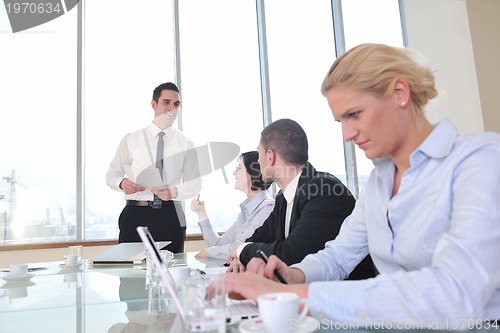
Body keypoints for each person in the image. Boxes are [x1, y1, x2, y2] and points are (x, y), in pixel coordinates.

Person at [222, 44, 500, 328]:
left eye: (354, 114)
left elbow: (456, 291)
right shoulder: (379, 183)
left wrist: (294, 295)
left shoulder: (480, 160)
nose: (347, 134)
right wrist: (295, 274)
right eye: (340, 120)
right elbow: (338, 256)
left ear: (400, 94)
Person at [227, 118, 376, 281]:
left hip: (346, 300)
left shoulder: (324, 191)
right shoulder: (283, 199)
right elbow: (255, 239)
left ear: (270, 156)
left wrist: (241, 251)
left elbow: (290, 256)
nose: (257, 161)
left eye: (259, 154)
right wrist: (239, 257)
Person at [106, 82, 201, 253]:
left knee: (171, 271)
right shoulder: (131, 139)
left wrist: (174, 191)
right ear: (153, 104)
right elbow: (112, 175)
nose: (172, 107)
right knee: (130, 274)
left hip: (171, 216)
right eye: (167, 102)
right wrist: (122, 183)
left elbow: (195, 184)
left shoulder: (186, 143)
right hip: (135, 214)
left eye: (176, 104)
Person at [190, 151, 275, 260]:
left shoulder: (267, 209)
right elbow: (218, 244)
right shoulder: (245, 212)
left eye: (239, 168)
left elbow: (240, 247)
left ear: (252, 173)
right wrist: (201, 213)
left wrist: (209, 252)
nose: (234, 173)